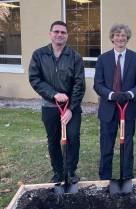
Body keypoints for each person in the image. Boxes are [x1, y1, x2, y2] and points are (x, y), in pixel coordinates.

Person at [29, 21, 85, 183]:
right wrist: (54, 94)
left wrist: (71, 109)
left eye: (63, 32)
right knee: (53, 140)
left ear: (67, 35)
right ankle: (58, 172)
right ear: (50, 34)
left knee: (73, 138)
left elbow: (79, 84)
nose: (59, 34)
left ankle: (71, 172)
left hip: (71, 108)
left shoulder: (75, 57)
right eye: (56, 31)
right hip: (50, 107)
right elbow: (35, 79)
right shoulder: (39, 55)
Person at [94, 24, 136, 180]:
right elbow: (98, 84)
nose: (120, 38)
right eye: (117, 35)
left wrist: (130, 94)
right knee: (106, 144)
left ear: (127, 38)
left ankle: (127, 176)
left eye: (123, 35)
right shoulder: (103, 59)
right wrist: (111, 95)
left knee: (127, 145)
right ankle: (105, 177)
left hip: (128, 108)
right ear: (112, 38)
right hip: (108, 109)